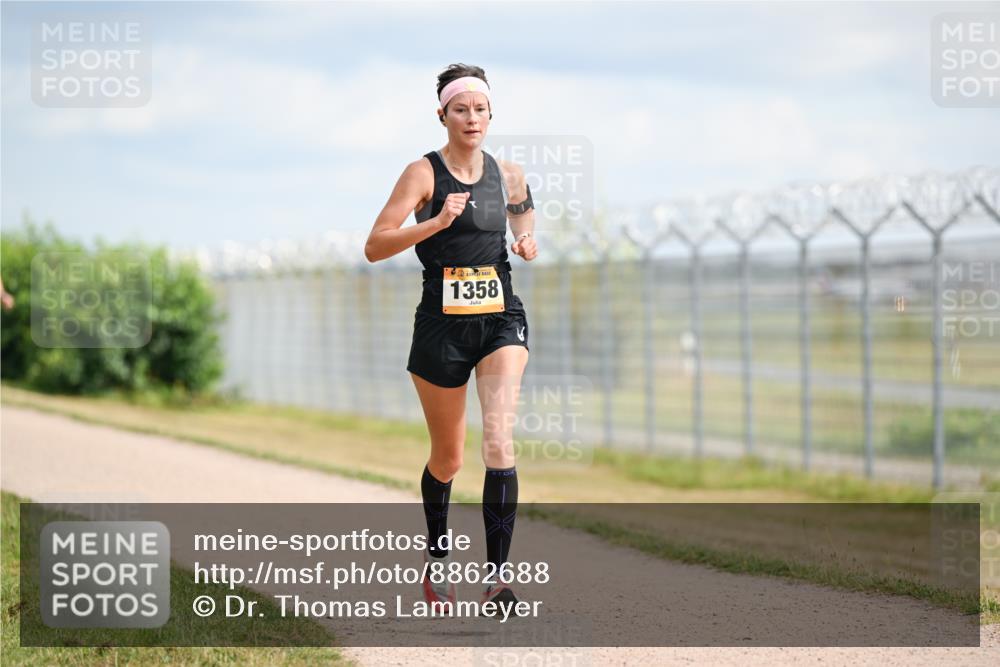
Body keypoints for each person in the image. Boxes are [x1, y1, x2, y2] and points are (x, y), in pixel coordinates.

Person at [364, 63, 537, 615]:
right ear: (442, 114)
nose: (471, 118)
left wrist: (527, 240)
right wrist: (435, 223)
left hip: (499, 320)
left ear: (491, 116)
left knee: (499, 441)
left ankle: (498, 580)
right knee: (449, 458)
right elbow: (375, 245)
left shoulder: (508, 174)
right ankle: (438, 561)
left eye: (480, 109)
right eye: (460, 109)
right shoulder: (421, 174)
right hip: (441, 326)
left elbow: (522, 217)